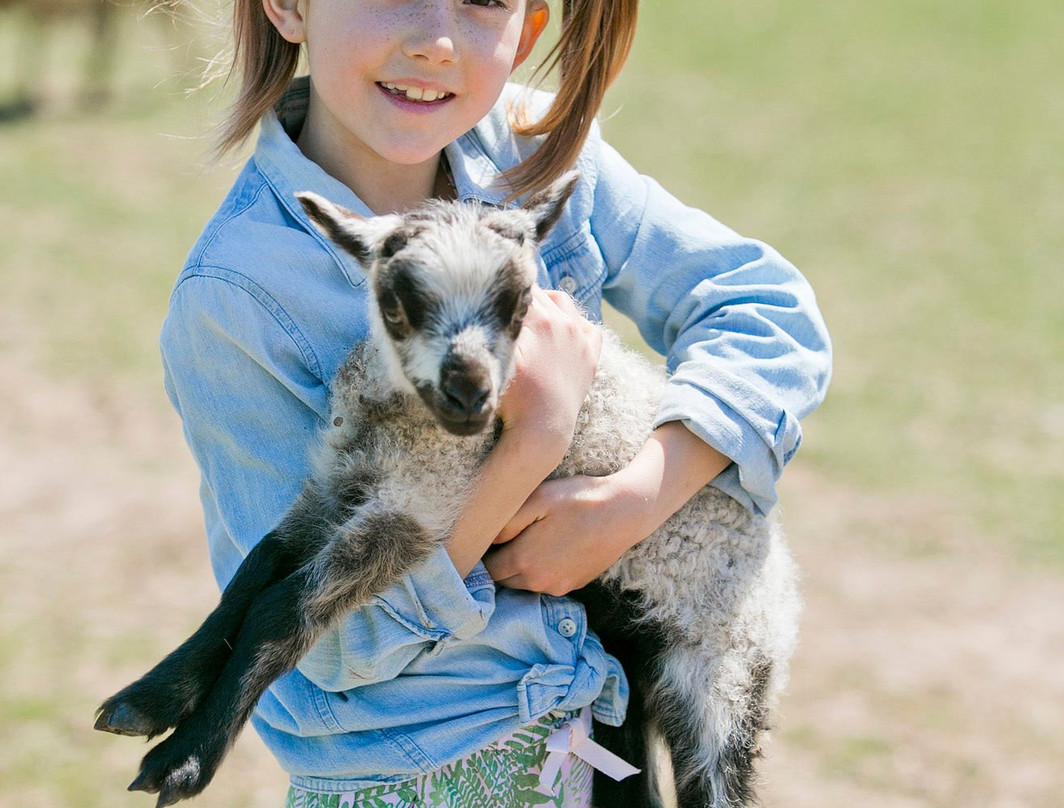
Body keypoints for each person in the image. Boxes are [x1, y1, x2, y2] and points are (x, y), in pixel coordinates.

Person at [158, 0, 832, 804]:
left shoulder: (531, 155)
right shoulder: (239, 296)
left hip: (597, 744)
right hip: (423, 777)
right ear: (291, 6)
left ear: (531, 26)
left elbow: (766, 310)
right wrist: (532, 440)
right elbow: (335, 644)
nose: (436, 41)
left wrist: (632, 498)